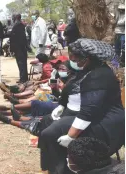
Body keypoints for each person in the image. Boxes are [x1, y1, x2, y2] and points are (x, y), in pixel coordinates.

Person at [39, 38, 125, 174]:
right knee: (48, 121)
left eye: (77, 59)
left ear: (88, 58)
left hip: (107, 124)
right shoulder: (89, 71)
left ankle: (61, 170)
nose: (75, 62)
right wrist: (61, 106)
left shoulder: (99, 75)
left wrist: (71, 136)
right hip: (96, 116)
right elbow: (71, 91)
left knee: (51, 134)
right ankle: (52, 168)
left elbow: (89, 110)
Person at [10, 14, 28, 84]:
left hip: (20, 48)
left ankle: (23, 79)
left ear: (16, 17)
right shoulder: (18, 24)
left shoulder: (18, 25)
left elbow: (18, 37)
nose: (12, 18)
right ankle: (23, 78)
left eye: (13, 17)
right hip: (19, 47)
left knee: (21, 63)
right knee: (21, 63)